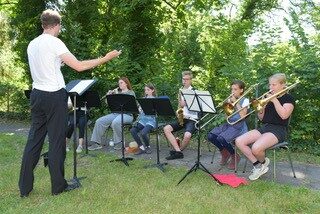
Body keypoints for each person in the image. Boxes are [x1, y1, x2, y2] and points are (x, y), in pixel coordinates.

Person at [19, 9, 121, 197]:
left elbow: (45, 65)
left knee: (34, 140)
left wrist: (58, 63)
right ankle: (58, 187)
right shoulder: (55, 42)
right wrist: (106, 58)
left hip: (37, 95)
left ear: (43, 25)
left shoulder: (32, 44)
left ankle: (24, 188)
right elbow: (80, 66)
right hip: (54, 96)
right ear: (57, 25)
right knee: (57, 142)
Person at [235, 73, 295, 181]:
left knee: (256, 148)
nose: (270, 87)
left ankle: (261, 165)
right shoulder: (267, 97)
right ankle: (259, 165)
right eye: (270, 85)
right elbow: (261, 118)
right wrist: (261, 108)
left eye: (274, 85)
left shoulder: (288, 98)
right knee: (239, 141)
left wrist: (274, 100)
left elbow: (284, 115)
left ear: (283, 85)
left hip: (279, 130)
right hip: (265, 127)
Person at [207, 80, 249, 170]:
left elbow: (243, 116)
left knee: (222, 138)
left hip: (239, 126)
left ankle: (234, 155)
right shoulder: (230, 99)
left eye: (235, 89)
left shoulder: (245, 100)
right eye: (232, 89)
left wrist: (236, 103)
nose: (232, 91)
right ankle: (224, 152)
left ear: (241, 90)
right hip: (229, 125)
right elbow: (227, 117)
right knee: (211, 136)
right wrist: (228, 106)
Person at [88, 77, 135, 150]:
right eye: (119, 83)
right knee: (99, 121)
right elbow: (109, 104)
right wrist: (108, 96)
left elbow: (131, 104)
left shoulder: (131, 92)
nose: (119, 84)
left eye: (121, 82)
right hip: (115, 114)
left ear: (126, 83)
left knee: (115, 122)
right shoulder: (117, 93)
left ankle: (119, 142)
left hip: (127, 114)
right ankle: (96, 143)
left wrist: (116, 95)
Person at [164, 71, 198, 160]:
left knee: (187, 135)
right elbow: (180, 106)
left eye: (187, 79)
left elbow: (198, 108)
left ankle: (179, 151)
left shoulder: (195, 92)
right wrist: (178, 111)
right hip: (182, 118)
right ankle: (178, 151)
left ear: (191, 80)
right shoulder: (181, 91)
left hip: (192, 119)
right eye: (183, 79)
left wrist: (186, 103)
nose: (184, 81)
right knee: (166, 129)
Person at [130, 83, 157, 155]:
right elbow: (139, 112)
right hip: (142, 120)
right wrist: (139, 108)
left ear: (152, 90)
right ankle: (141, 147)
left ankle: (148, 146)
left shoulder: (155, 100)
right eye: (145, 90)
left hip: (151, 121)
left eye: (148, 90)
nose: (146, 91)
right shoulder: (143, 99)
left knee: (143, 133)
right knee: (133, 130)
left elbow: (156, 113)